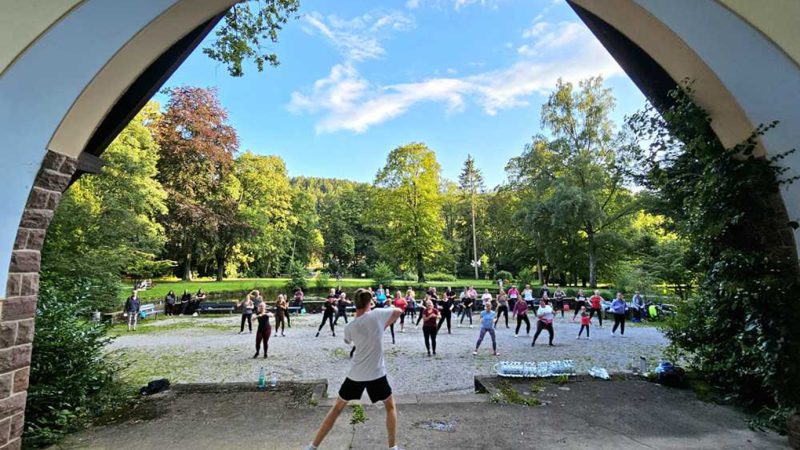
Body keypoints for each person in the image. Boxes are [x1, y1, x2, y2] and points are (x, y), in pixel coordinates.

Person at [307, 289, 402, 450]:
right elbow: (398, 311)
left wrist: (377, 328)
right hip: (377, 373)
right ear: (369, 302)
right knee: (390, 407)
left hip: (356, 375)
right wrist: (382, 326)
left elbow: (348, 341)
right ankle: (393, 448)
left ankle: (312, 446)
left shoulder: (350, 326)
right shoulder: (378, 314)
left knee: (336, 409)